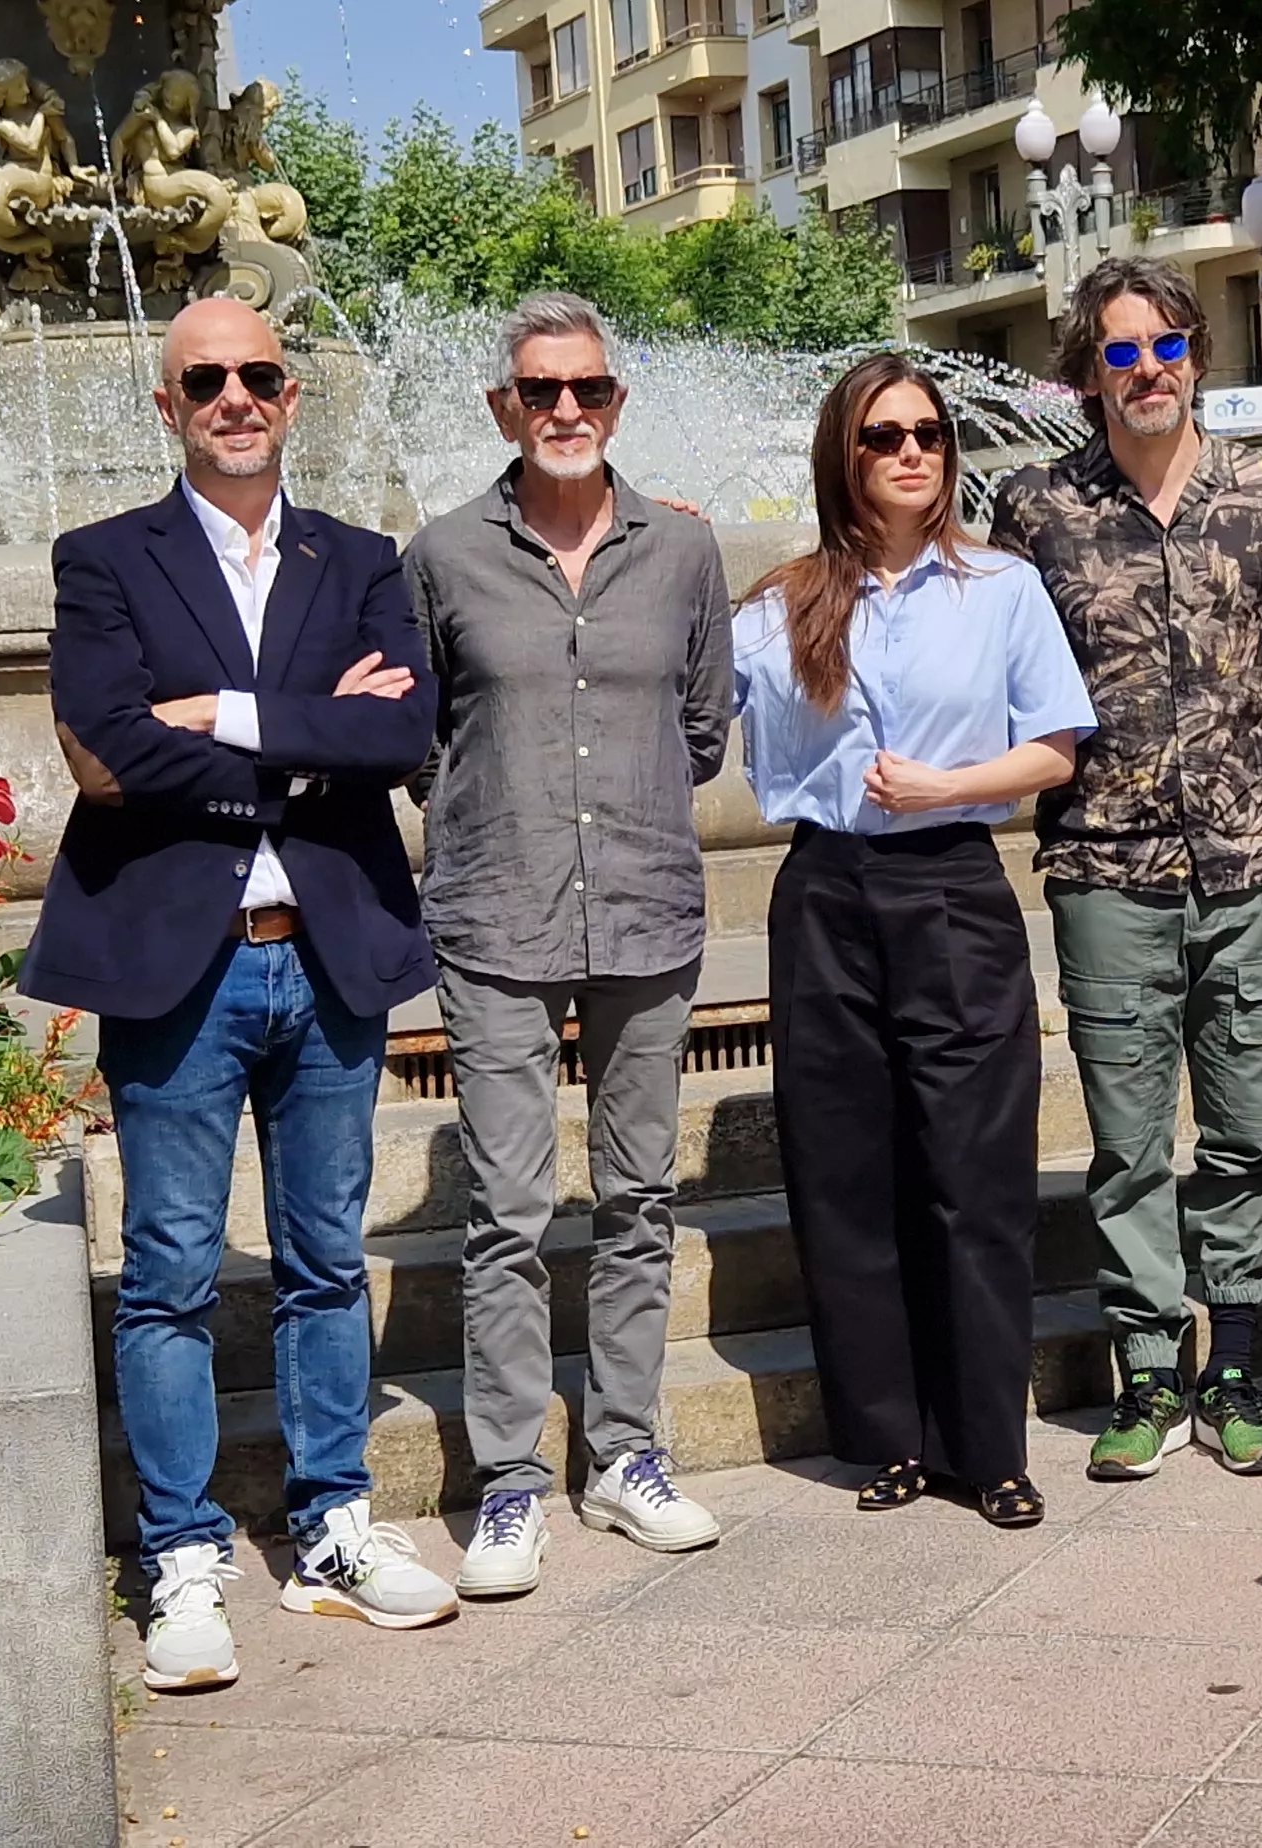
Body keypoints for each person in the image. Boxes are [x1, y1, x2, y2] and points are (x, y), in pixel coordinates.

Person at [28, 298, 457, 1693]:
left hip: (326, 952)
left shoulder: (362, 559)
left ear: (290, 395)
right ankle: (182, 1554)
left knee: (326, 1257)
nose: (234, 395)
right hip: (181, 962)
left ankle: (333, 1524)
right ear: (167, 404)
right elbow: (106, 752)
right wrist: (309, 742)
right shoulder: (104, 559)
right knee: (167, 1272)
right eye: (204, 377)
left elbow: (401, 734)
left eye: (258, 374)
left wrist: (220, 716)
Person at [403, 293, 734, 1597]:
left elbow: (702, 729)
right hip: (498, 915)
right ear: (504, 407)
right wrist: (505, 812)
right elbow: (423, 743)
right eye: (539, 390)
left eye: (586, 389)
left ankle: (626, 1456)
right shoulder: (442, 556)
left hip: (645, 906)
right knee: (507, 1211)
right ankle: (507, 1484)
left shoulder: (684, 552)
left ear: (616, 402)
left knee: (640, 1199)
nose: (564, 410)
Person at [989, 256, 1262, 1481]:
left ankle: (1231, 1368)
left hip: (1252, 865)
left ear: (1197, 356)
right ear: (1089, 370)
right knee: (1129, 1142)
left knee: (1245, 1132)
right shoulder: (1036, 509)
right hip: (1105, 865)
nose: (1149, 370)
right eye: (1123, 351)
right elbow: (992, 660)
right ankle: (1146, 1373)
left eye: (1168, 346)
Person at [738, 353, 1094, 1528]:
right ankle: (886, 1437)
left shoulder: (1000, 587)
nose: (911, 454)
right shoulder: (780, 603)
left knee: (973, 1174)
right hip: (824, 893)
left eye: (929, 434)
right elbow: (684, 701)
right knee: (845, 1172)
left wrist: (949, 786)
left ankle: (988, 1448)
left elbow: (1055, 748)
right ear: (842, 455)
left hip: (951, 886)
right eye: (883, 436)